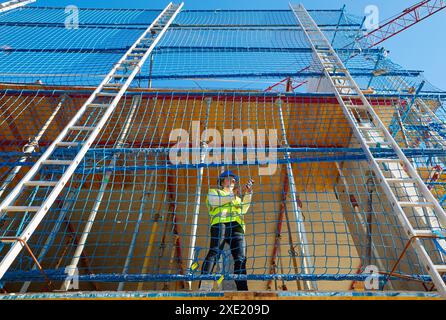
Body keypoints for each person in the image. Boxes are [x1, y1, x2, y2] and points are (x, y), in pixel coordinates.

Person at [200, 170, 253, 291]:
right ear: (222, 182)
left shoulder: (237, 198)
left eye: (234, 180)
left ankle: (242, 290)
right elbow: (215, 202)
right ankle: (204, 286)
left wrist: (248, 193)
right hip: (220, 224)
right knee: (214, 252)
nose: (233, 181)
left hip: (237, 228)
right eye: (230, 179)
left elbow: (244, 209)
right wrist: (233, 194)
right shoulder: (215, 192)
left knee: (241, 258)